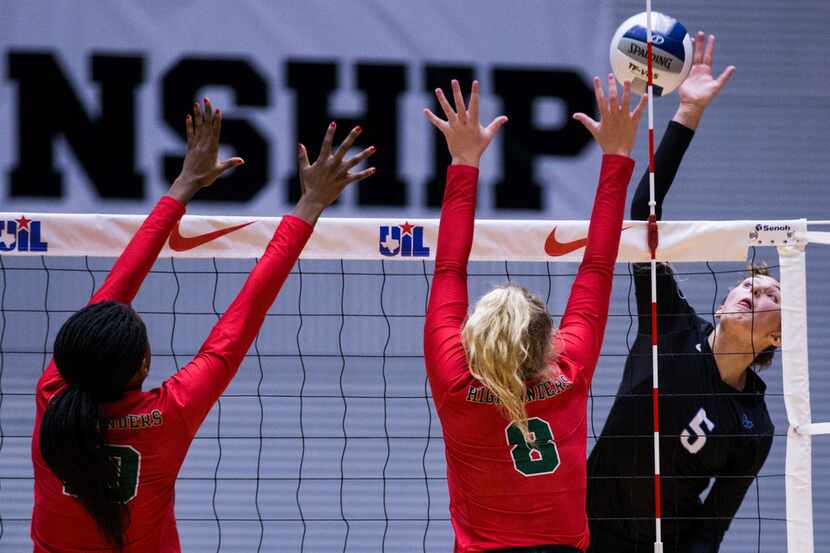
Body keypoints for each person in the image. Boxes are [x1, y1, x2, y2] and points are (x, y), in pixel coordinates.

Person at [31, 100, 376, 552]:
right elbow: (242, 318)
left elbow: (114, 292)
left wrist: (182, 186)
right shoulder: (167, 415)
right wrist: (309, 203)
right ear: (139, 369)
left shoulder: (50, 396)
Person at [423, 76, 645, 552]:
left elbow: (448, 268)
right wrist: (617, 156)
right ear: (549, 340)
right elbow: (599, 266)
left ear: (470, 340)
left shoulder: (454, 382)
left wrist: (463, 161)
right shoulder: (568, 373)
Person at [586, 33, 778, 553]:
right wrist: (688, 111)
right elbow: (643, 211)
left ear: (776, 334)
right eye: (747, 283)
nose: (749, 292)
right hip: (579, 532)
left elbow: (710, 526)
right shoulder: (668, 321)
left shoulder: (752, 427)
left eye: (766, 295)